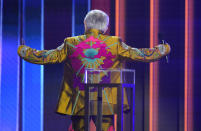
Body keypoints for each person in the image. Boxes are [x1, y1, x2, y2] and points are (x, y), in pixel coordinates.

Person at [17, 9, 170, 131]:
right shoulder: (114, 43)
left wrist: (24, 50)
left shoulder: (71, 43)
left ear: (85, 24)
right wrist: (163, 49)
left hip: (78, 100)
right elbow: (140, 54)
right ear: (106, 26)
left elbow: (46, 57)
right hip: (106, 101)